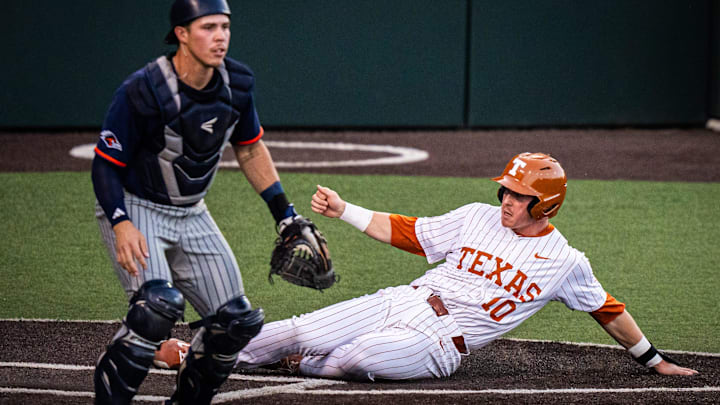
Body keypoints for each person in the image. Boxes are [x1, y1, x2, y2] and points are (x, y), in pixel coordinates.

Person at [225, 152, 698, 380]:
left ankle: (302, 367)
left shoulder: (566, 263)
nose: (507, 200)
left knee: (360, 356)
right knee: (303, 329)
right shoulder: (478, 216)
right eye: (506, 191)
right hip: (401, 301)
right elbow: (409, 232)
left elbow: (608, 310)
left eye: (519, 195)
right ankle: (196, 354)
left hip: (439, 343)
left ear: (546, 206)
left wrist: (654, 361)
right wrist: (345, 209)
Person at [91, 0, 306, 403]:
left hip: (192, 212)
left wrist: (286, 216)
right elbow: (105, 164)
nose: (220, 36)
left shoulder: (237, 84)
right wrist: (120, 223)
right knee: (155, 309)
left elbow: (250, 148)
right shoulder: (144, 89)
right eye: (208, 27)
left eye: (225, 26)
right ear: (182, 34)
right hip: (137, 206)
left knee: (235, 323)